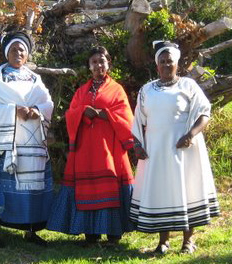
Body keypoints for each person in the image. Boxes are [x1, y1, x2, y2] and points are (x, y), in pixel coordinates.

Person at [130, 40, 220, 254]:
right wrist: (137, 144)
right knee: (163, 192)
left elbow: (204, 113)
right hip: (156, 151)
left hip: (184, 149)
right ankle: (163, 242)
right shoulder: (146, 90)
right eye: (162, 61)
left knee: (186, 190)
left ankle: (188, 241)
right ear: (156, 65)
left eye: (170, 61)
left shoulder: (188, 86)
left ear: (177, 63)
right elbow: (138, 120)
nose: (166, 65)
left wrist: (190, 134)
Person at [47, 46, 135, 245]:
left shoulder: (117, 89)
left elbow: (126, 116)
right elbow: (70, 115)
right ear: (89, 66)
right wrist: (83, 112)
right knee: (88, 187)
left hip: (109, 148)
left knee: (110, 185)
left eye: (101, 61)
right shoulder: (81, 91)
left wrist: (107, 115)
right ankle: (91, 234)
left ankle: (113, 235)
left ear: (108, 64)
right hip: (85, 149)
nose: (98, 65)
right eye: (94, 62)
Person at [0, 31, 54, 248]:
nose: (18, 52)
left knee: (31, 187)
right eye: (14, 49)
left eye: (22, 49)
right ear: (6, 53)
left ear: (27, 54)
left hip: (30, 143)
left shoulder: (35, 79)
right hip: (5, 144)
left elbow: (47, 103)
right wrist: (14, 110)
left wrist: (37, 110)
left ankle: (30, 231)